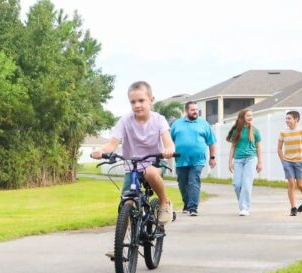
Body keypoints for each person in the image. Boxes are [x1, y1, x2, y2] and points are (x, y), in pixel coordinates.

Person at [91, 80, 176, 226]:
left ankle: (164, 203)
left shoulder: (159, 120)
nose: (137, 105)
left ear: (151, 100)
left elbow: (169, 143)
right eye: (133, 102)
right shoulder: (125, 120)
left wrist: (168, 150)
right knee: (126, 203)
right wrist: (100, 151)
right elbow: (112, 144)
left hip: (154, 162)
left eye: (141, 100)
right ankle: (120, 247)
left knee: (149, 172)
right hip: (133, 166)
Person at [169, 101, 217, 216]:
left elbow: (212, 142)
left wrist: (212, 157)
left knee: (193, 181)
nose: (195, 112)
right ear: (186, 111)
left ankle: (193, 207)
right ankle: (186, 203)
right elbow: (170, 142)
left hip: (198, 160)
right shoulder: (177, 124)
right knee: (182, 183)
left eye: (196, 110)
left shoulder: (204, 124)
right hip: (181, 160)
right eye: (192, 110)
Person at [227, 108, 263, 216]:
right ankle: (243, 203)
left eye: (251, 115)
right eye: (248, 116)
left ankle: (244, 208)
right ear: (242, 118)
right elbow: (232, 147)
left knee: (247, 183)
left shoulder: (255, 131)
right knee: (237, 185)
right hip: (238, 160)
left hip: (251, 159)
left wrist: (260, 162)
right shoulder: (236, 131)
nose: (250, 117)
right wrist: (230, 162)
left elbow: (258, 147)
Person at [277, 109, 302, 216]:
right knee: (291, 183)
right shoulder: (283, 133)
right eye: (286, 118)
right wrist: (283, 160)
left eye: (289, 118)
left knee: (300, 185)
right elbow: (279, 148)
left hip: (299, 162)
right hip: (287, 161)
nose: (287, 120)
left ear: (296, 119)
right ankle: (293, 208)